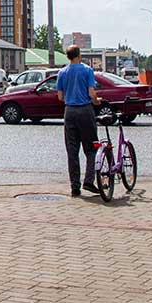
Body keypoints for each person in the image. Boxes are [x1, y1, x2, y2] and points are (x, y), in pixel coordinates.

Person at [55, 44, 102, 197]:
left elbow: (60, 97)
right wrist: (96, 101)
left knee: (72, 150)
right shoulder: (87, 70)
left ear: (68, 56)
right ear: (79, 55)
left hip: (69, 112)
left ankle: (75, 186)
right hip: (85, 110)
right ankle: (89, 180)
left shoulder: (62, 72)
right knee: (91, 147)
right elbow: (91, 93)